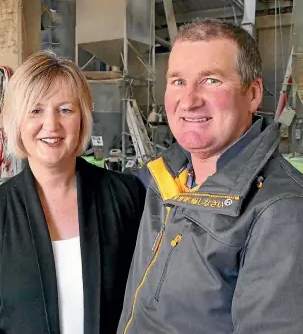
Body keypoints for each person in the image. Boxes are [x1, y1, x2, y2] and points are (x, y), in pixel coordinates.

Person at [118, 19, 303, 334]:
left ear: (253, 93)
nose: (189, 100)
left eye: (211, 81)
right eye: (178, 81)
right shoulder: (165, 177)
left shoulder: (280, 210)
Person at [0, 51, 145, 334]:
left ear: (82, 117)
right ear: (18, 122)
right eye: (35, 110)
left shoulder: (125, 195)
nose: (51, 125)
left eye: (65, 110)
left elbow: (147, 298)